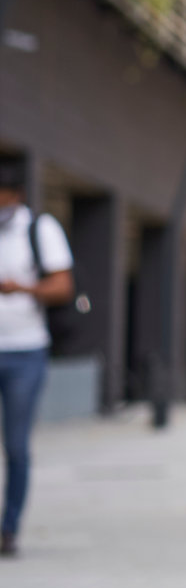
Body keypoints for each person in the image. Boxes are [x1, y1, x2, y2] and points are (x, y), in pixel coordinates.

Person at [0, 155, 72, 559]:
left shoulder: (39, 229)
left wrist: (21, 290)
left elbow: (63, 286)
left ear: (17, 196)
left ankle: (8, 529)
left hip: (26, 351)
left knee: (16, 446)